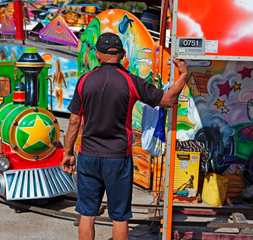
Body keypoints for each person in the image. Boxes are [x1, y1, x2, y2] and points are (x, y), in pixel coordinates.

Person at [61, 32, 187, 240]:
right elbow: (166, 101)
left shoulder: (84, 81)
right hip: (118, 157)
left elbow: (74, 120)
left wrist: (68, 152)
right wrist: (182, 75)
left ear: (98, 55)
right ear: (122, 54)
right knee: (119, 217)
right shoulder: (131, 81)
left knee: (87, 214)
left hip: (89, 156)